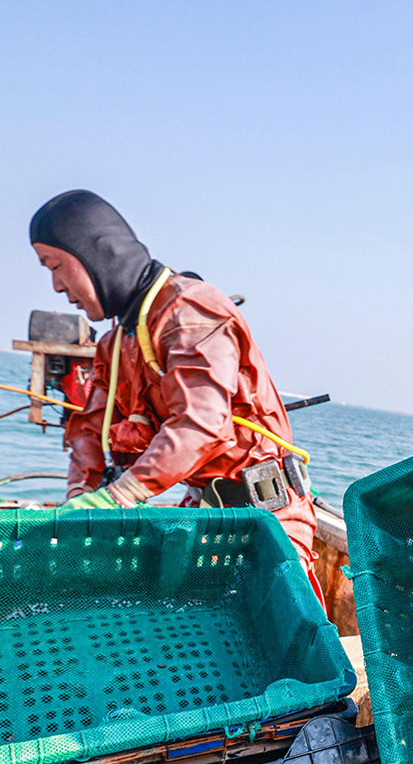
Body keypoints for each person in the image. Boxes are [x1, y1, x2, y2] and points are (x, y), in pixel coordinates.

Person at [30, 190, 322, 594]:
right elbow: (87, 430)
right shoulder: (115, 345)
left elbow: (200, 424)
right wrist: (81, 494)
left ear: (97, 254)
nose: (57, 286)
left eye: (57, 266)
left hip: (267, 520)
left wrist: (119, 498)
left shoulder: (192, 311)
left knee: (283, 637)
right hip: (204, 513)